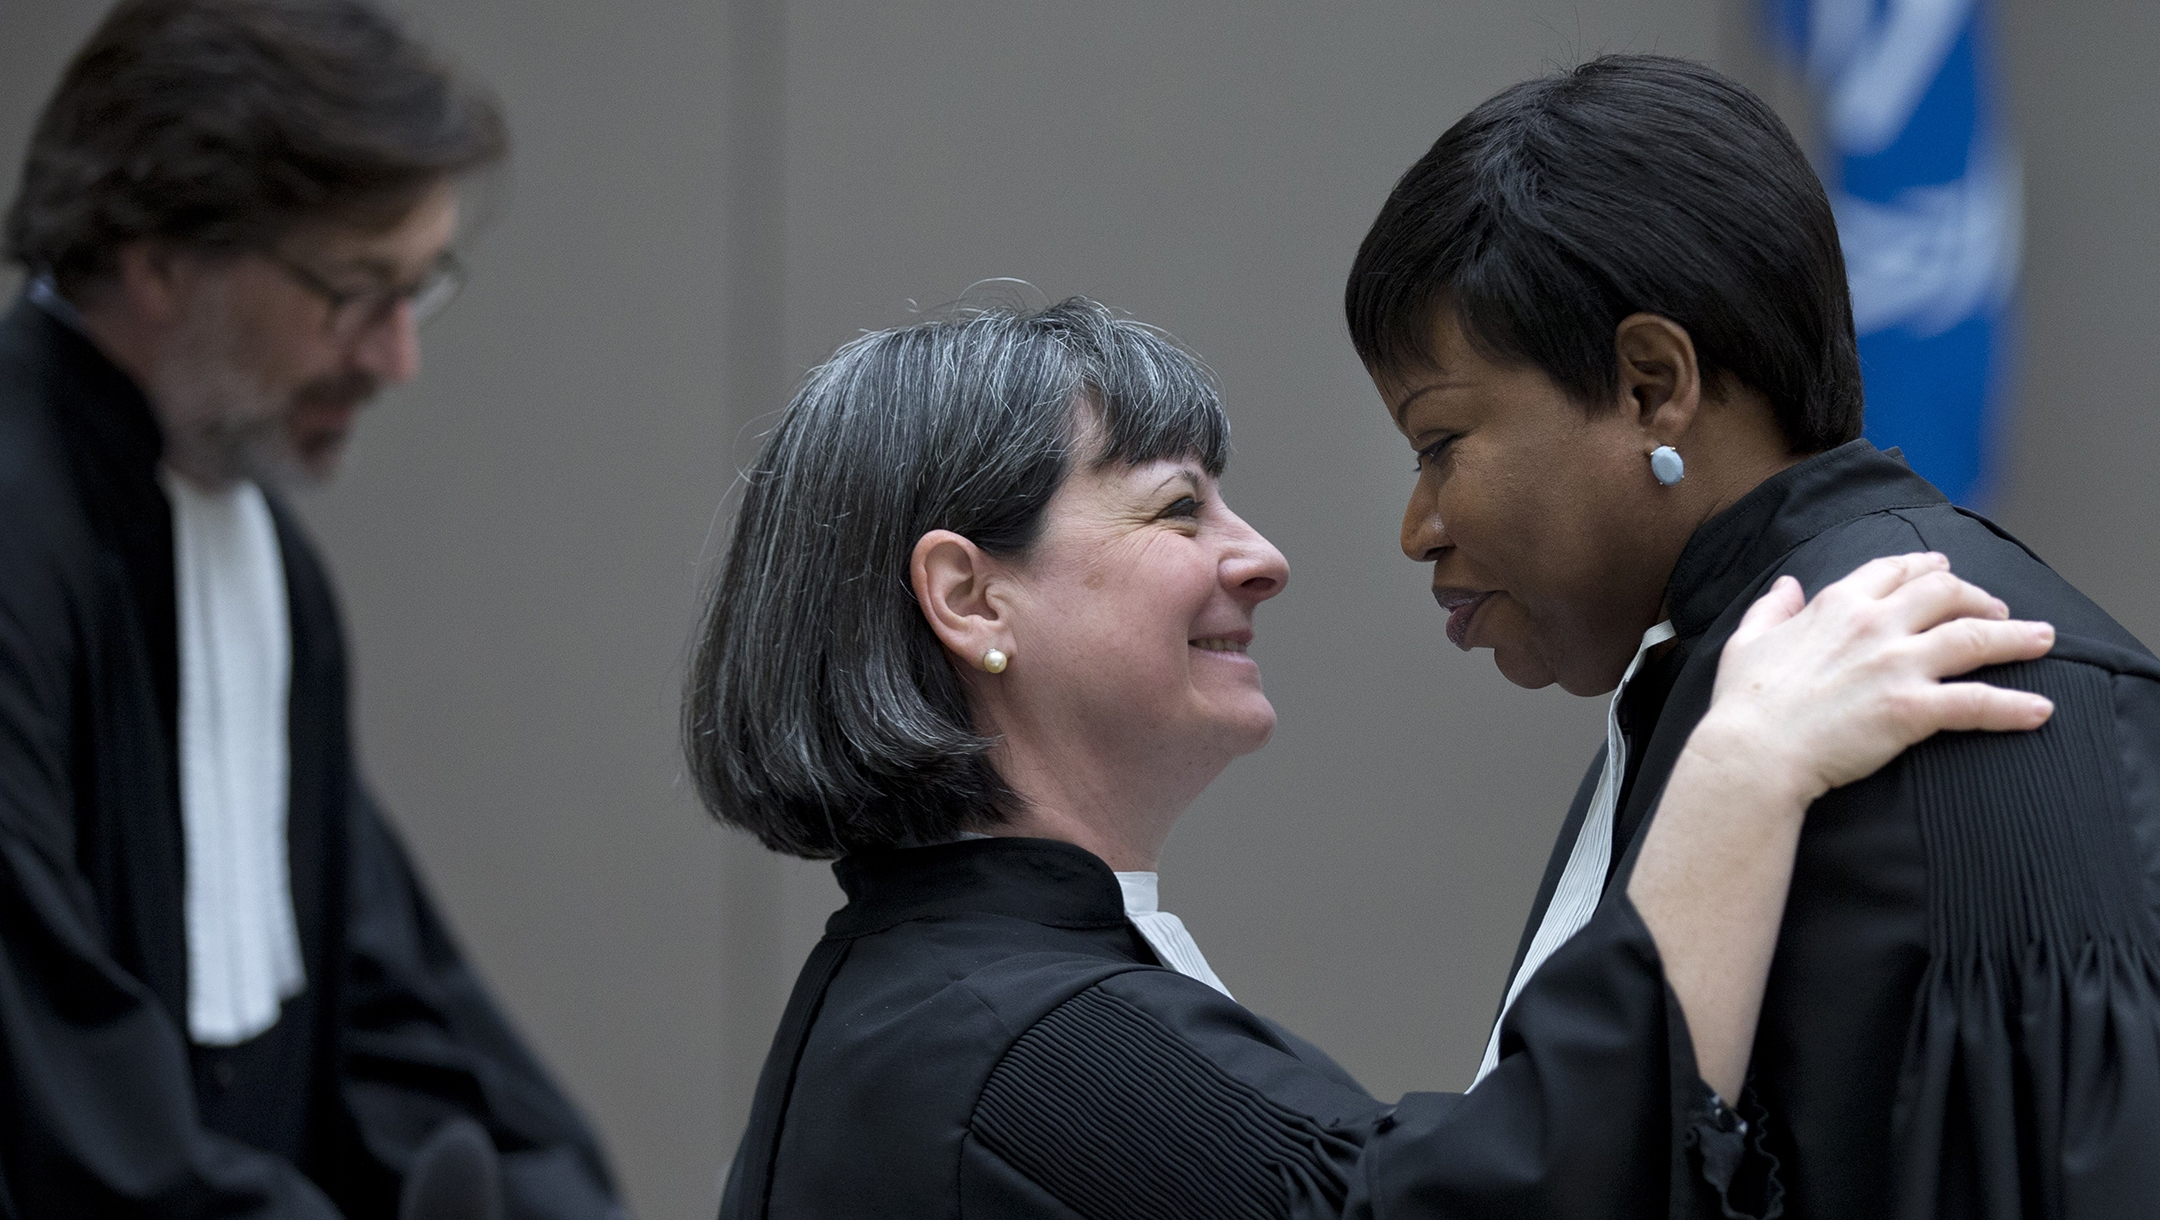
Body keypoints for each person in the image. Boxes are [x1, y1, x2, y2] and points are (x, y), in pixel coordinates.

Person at [684, 296, 2055, 1219]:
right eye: (1176, 510)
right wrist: (1738, 774)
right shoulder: (1023, 1047)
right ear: (971, 599)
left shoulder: (934, 998)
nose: (1264, 558)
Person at [1344, 54, 2160, 1218]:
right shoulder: (1749, 695)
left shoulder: (1958, 688)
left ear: (1649, 384)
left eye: (1440, 444)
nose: (1420, 529)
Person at [0, 2, 621, 1216]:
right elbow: (57, 1096)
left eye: (417, 291)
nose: (397, 358)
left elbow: (379, 1001)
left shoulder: (260, 551)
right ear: (160, 254)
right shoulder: (21, 545)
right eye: (353, 292)